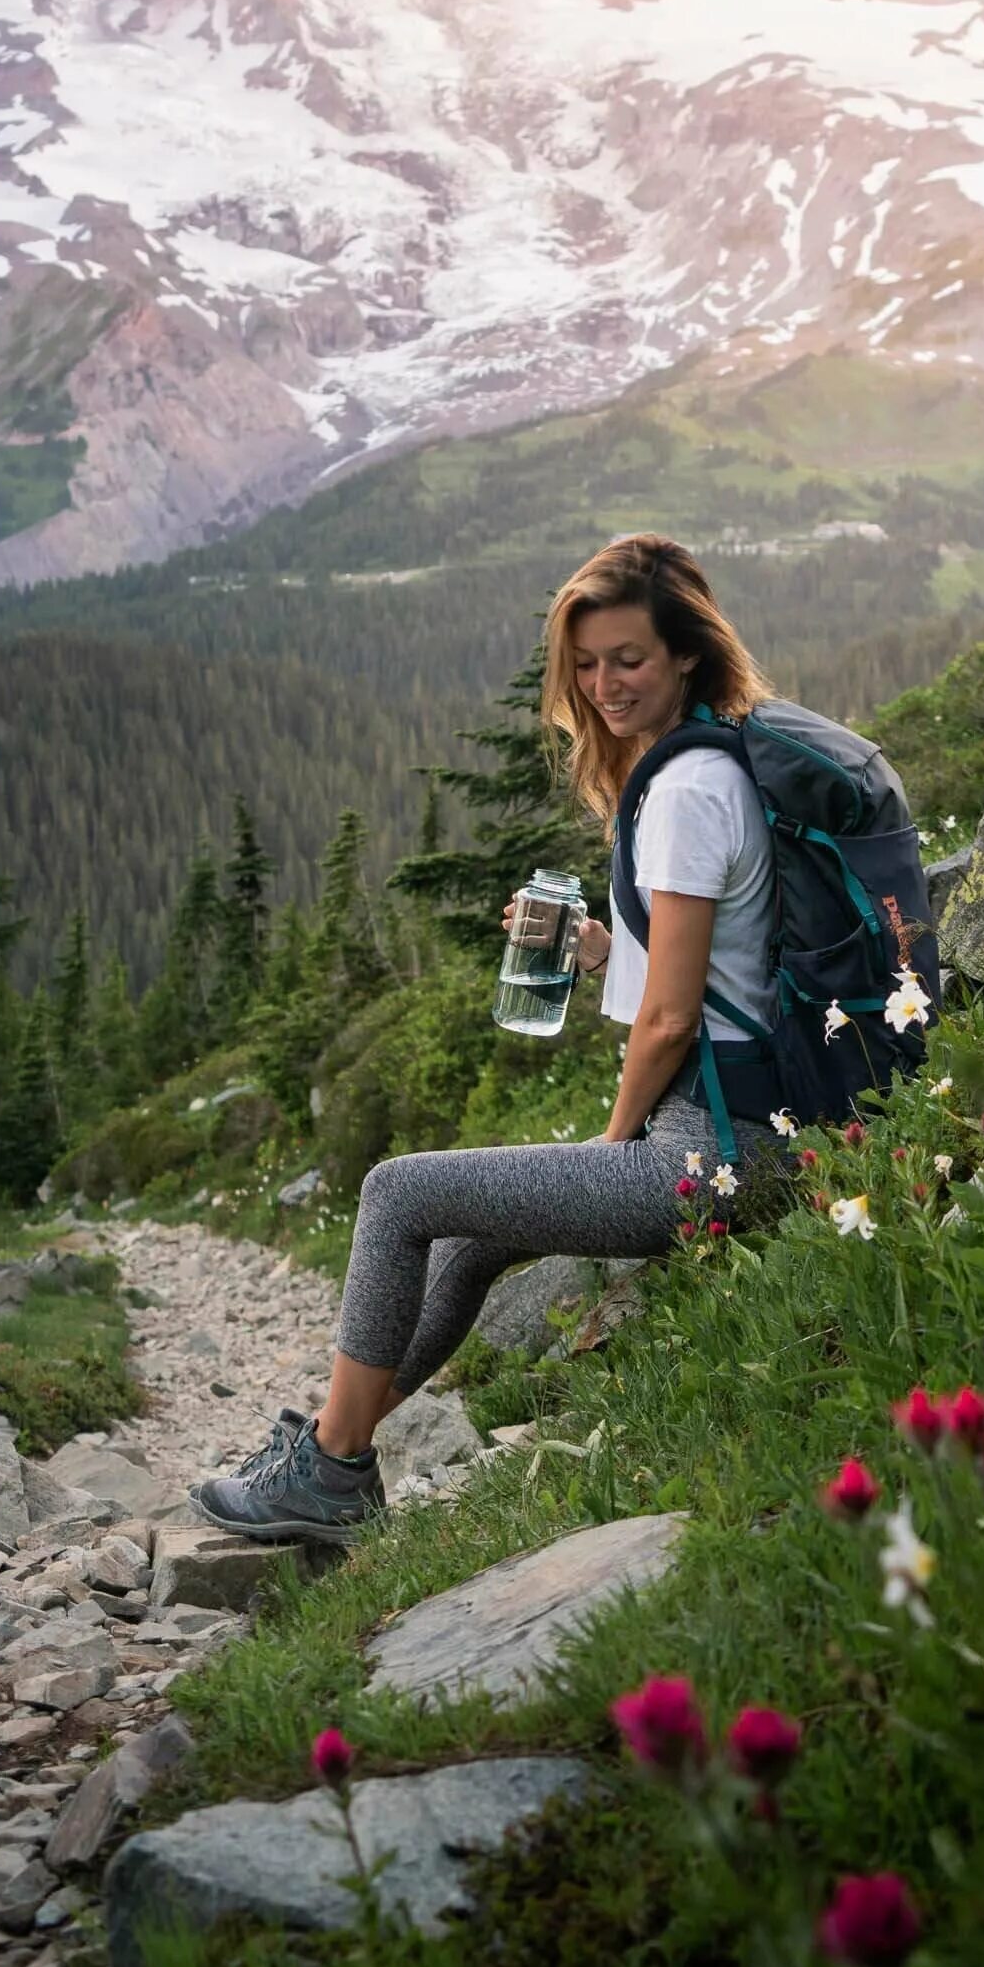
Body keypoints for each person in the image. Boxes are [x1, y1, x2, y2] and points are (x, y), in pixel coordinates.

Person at [191, 534, 788, 1543]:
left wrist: (613, 1141)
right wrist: (601, 947)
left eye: (627, 659)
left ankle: (330, 1473)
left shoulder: (685, 792)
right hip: (748, 1130)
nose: (601, 684)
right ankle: (334, 1446)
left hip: (710, 1157)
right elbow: (711, 967)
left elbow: (673, 1018)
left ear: (685, 652)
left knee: (397, 1191)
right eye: (585, 663)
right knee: (468, 1238)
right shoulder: (711, 762)